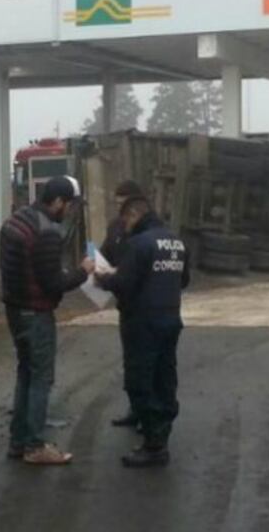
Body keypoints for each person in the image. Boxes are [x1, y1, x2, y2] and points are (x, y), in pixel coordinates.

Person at [0, 175, 94, 465]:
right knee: (41, 378)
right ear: (57, 202)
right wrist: (82, 271)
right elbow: (53, 283)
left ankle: (19, 441)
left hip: (15, 311)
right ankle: (35, 446)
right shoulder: (47, 231)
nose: (70, 211)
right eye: (69, 205)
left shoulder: (16, 221)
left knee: (25, 374)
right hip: (37, 314)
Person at [97, 197, 190, 468]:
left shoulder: (139, 244)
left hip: (141, 322)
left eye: (125, 219)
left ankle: (154, 445)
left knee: (140, 380)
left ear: (135, 214)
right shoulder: (177, 242)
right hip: (170, 319)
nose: (123, 225)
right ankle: (163, 432)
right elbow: (183, 279)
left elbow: (124, 284)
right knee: (165, 377)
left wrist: (103, 278)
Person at [100, 180, 145, 429]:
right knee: (130, 360)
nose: (120, 211)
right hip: (125, 306)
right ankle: (134, 408)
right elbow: (105, 255)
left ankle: (147, 413)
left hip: (145, 306)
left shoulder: (148, 230)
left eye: (123, 205)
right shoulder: (115, 227)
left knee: (146, 362)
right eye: (117, 205)